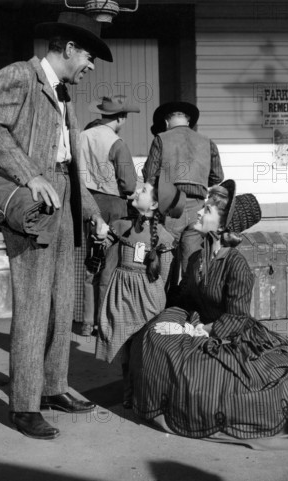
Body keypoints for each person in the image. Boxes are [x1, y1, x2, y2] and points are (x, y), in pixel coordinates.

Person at [0, 12, 113, 440]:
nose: (91, 66)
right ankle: (24, 404)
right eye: (89, 56)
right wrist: (27, 174)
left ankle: (53, 388)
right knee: (34, 308)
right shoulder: (19, 75)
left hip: (64, 201)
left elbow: (68, 165)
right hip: (32, 204)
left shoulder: (64, 94)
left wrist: (92, 213)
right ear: (68, 48)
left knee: (62, 304)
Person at [128, 180, 288, 449]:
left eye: (206, 211)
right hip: (199, 321)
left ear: (221, 226)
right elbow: (184, 295)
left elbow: (236, 318)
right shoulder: (198, 258)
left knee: (211, 376)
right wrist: (166, 318)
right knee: (154, 338)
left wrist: (197, 331)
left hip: (230, 333)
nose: (198, 213)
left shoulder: (237, 266)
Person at [95, 174, 186, 407]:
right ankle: (128, 392)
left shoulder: (164, 239)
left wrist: (156, 299)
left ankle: (143, 392)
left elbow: (165, 277)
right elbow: (105, 250)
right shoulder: (123, 226)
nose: (137, 192)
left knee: (142, 346)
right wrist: (102, 237)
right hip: (122, 294)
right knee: (123, 344)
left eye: (143, 191)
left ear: (154, 205)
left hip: (148, 298)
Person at [76, 96, 140, 337]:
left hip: (85, 202)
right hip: (113, 205)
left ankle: (86, 322)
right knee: (109, 265)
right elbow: (129, 183)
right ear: (121, 118)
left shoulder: (81, 137)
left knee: (91, 260)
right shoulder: (117, 143)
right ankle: (104, 323)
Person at [142, 101, 224, 284]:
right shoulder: (207, 142)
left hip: (171, 204)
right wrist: (200, 182)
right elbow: (218, 176)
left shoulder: (161, 139)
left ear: (166, 122)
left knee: (165, 259)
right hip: (198, 209)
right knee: (192, 262)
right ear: (188, 121)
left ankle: (162, 305)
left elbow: (149, 175)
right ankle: (189, 307)